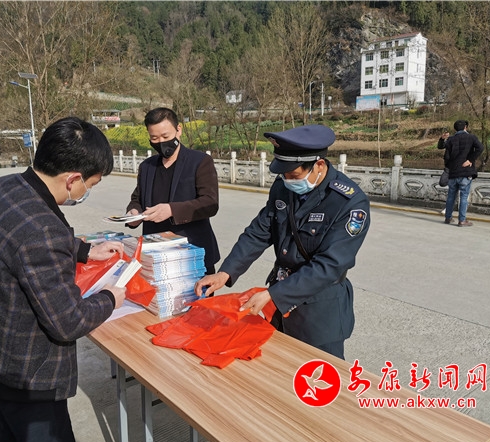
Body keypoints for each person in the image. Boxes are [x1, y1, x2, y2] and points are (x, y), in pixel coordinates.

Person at [0, 117, 126, 442]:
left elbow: (20, 237)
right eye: (91, 184)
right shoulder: (43, 229)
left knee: (11, 433)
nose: (88, 191)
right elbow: (68, 322)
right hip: (19, 372)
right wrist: (110, 298)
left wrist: (85, 250)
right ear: (73, 179)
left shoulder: (3, 187)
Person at [194, 124, 370, 360]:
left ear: (318, 165)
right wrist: (225, 273)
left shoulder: (348, 202)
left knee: (319, 376)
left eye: (294, 176)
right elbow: (258, 232)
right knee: (278, 369)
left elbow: (329, 265)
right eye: (283, 175)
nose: (288, 180)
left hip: (319, 313)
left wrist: (275, 295)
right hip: (279, 304)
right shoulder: (283, 187)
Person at [125, 107, 220, 274]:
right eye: (154, 138)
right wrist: (134, 213)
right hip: (155, 254)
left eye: (165, 136)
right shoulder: (147, 166)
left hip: (191, 253)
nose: (161, 142)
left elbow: (210, 203)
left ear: (178, 130)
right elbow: (137, 199)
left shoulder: (200, 162)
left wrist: (171, 210)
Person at [442, 119, 484, 227]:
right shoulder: (471, 137)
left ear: (455, 129)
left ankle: (448, 217)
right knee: (464, 197)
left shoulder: (451, 139)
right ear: (465, 127)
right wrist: (470, 160)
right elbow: (480, 148)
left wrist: (450, 166)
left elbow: (446, 156)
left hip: (453, 172)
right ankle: (462, 220)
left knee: (451, 196)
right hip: (465, 172)